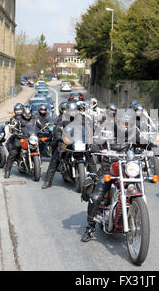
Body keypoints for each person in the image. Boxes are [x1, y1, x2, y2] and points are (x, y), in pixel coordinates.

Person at [81, 112, 135, 242]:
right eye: (123, 123)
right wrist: (92, 145)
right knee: (96, 196)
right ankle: (90, 227)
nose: (125, 126)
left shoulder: (133, 133)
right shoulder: (108, 131)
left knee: (135, 189)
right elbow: (96, 140)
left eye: (128, 124)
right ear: (118, 123)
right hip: (108, 168)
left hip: (126, 168)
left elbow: (147, 142)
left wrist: (154, 147)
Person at [42, 101, 81, 189]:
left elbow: (87, 129)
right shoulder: (62, 119)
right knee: (56, 157)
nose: (72, 112)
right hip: (65, 142)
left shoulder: (81, 119)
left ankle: (94, 179)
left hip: (78, 142)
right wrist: (60, 137)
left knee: (90, 153)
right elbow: (57, 130)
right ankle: (48, 181)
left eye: (74, 110)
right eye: (70, 110)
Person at [4, 106, 42, 178]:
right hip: (20, 137)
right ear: (23, 113)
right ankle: (7, 170)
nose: (27, 115)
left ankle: (36, 163)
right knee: (14, 152)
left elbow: (40, 126)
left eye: (28, 113)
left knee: (41, 143)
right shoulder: (18, 119)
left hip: (31, 137)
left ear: (31, 113)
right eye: (25, 114)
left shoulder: (35, 119)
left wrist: (44, 130)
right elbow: (13, 128)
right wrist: (15, 131)